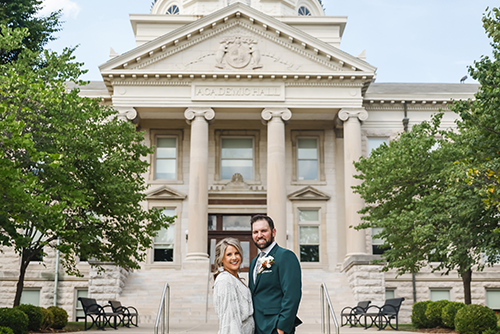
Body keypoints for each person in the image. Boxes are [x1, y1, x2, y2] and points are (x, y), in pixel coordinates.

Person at [249, 215, 302, 334]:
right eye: (255, 232)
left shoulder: (285, 256)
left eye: (263, 231)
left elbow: (292, 295)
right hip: (257, 327)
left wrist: (282, 327)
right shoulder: (254, 262)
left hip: (275, 327)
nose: (259, 235)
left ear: (273, 232)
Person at [213, 237, 255, 334]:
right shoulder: (225, 280)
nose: (234, 258)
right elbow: (229, 320)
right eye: (229, 254)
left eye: (236, 253)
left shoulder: (234, 278)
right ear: (221, 259)